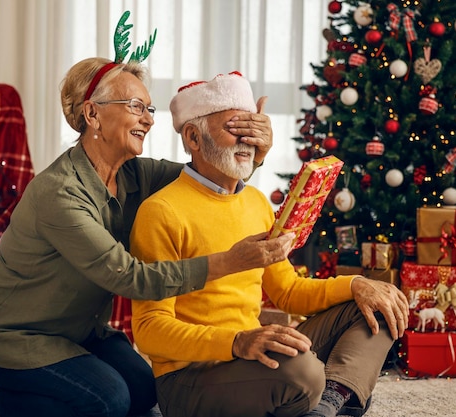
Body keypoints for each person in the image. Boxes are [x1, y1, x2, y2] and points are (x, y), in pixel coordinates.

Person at [0, 56, 295, 417]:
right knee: (108, 402)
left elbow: (212, 172)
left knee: (146, 394)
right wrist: (230, 262)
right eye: (135, 106)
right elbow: (129, 277)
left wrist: (252, 153)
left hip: (80, 330)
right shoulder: (59, 192)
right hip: (12, 334)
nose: (149, 119)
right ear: (93, 115)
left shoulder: (136, 174)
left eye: (150, 108)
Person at [130, 72, 411, 417]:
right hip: (190, 378)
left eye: (255, 129)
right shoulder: (161, 211)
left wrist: (357, 284)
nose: (249, 141)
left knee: (379, 303)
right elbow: (149, 330)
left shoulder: (256, 202)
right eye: (237, 128)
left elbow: (288, 291)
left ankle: (328, 402)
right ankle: (332, 396)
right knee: (304, 373)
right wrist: (237, 342)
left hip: (253, 355)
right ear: (193, 137)